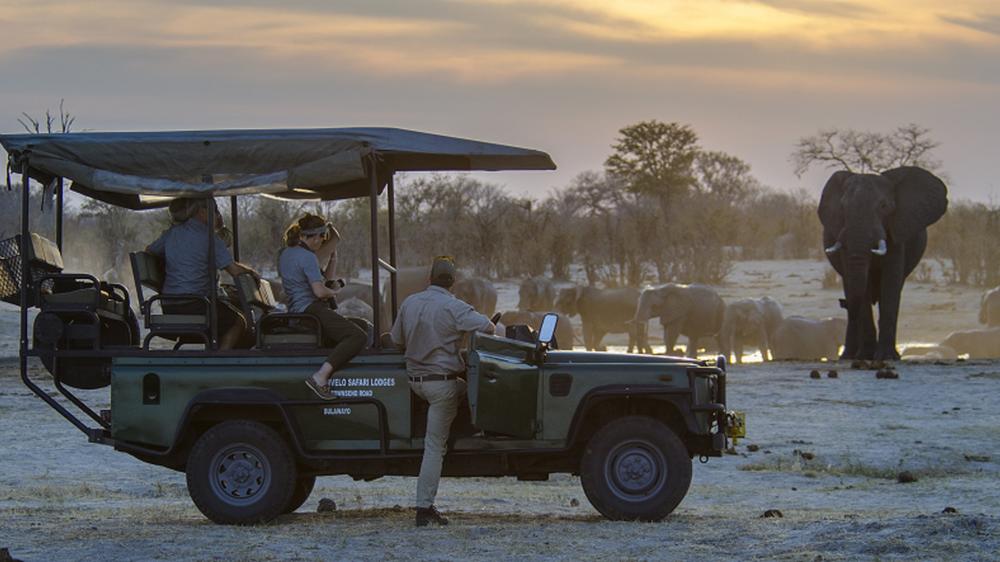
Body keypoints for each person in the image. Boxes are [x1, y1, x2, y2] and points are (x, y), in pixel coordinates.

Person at [389, 256, 496, 527]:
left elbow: (396, 340)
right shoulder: (454, 306)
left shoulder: (410, 302)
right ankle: (424, 506)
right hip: (442, 387)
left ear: (429, 279)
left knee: (460, 391)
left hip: (415, 383)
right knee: (435, 445)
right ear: (453, 282)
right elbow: (489, 327)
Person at [146, 198, 257, 349]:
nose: (217, 215)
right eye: (215, 210)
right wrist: (252, 272)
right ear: (202, 211)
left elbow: (150, 250)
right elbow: (234, 270)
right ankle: (220, 359)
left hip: (169, 304)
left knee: (225, 310)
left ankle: (217, 351)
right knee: (238, 321)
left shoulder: (172, 233)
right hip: (195, 303)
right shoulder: (210, 238)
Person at [279, 214, 367, 399]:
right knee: (357, 335)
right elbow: (319, 292)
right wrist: (334, 292)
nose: (322, 241)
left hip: (299, 311)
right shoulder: (307, 257)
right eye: (321, 237)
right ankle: (320, 377)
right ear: (312, 237)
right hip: (311, 311)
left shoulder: (287, 253)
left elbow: (324, 279)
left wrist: (333, 258)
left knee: (362, 324)